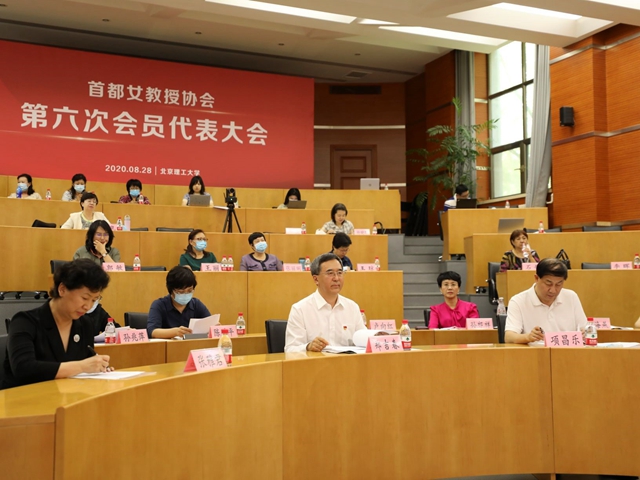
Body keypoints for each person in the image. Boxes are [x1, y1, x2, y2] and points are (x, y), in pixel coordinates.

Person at [1, 259, 112, 389]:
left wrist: (99, 368)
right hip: (23, 397)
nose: (87, 306)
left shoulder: (84, 324)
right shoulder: (24, 321)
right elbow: (23, 369)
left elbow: (86, 366)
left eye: (94, 300)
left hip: (66, 396)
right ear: (62, 289)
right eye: (85, 298)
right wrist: (82, 366)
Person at [284, 253, 366, 353]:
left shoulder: (352, 307)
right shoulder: (300, 309)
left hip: (346, 362)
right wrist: (308, 347)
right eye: (330, 273)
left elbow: (363, 342)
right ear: (316, 279)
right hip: (316, 362)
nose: (336, 278)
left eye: (340, 273)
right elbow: (290, 350)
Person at [505, 258, 588, 344]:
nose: (553, 290)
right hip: (535, 351)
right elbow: (509, 337)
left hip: (568, 351)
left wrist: (584, 334)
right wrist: (528, 337)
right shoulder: (518, 301)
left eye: (558, 284)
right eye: (548, 283)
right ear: (536, 278)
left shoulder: (571, 297)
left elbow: (585, 330)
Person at [147, 266, 212, 339]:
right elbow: (152, 331)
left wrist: (213, 327)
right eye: (181, 292)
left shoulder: (196, 304)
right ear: (171, 290)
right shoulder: (159, 305)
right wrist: (175, 332)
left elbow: (209, 323)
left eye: (189, 291)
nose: (186, 294)